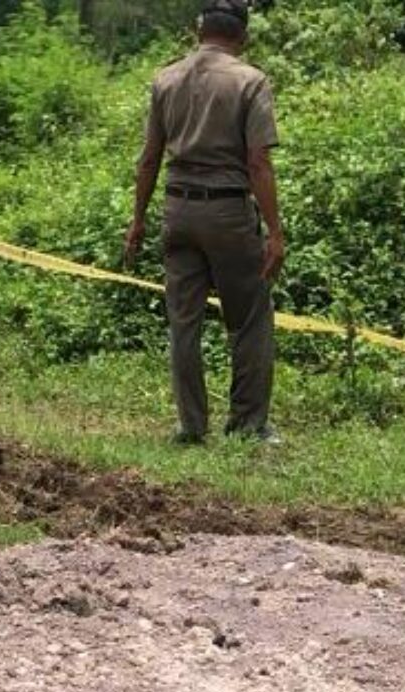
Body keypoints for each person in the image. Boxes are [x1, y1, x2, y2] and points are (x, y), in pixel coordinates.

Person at [125, 0, 286, 446]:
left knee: (184, 321)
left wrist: (138, 220)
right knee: (250, 317)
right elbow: (258, 162)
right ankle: (248, 424)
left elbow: (149, 159)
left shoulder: (166, 78)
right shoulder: (250, 81)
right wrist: (274, 231)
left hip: (177, 210)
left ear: (198, 31)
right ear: (243, 36)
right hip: (228, 212)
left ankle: (191, 427)